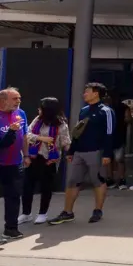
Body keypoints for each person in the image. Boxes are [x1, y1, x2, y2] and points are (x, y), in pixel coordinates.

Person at [49, 83, 114, 225]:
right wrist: (72, 150)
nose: (84, 94)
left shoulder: (106, 111)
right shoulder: (84, 110)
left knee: (98, 181)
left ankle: (97, 210)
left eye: (87, 91)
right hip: (79, 152)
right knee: (73, 181)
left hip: (96, 151)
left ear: (96, 93)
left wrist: (107, 154)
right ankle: (67, 212)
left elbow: (110, 133)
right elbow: (77, 132)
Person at [20, 97, 71, 225]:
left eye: (41, 108)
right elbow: (27, 134)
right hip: (33, 157)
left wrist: (70, 153)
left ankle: (43, 213)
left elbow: (66, 142)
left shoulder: (61, 125)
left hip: (49, 160)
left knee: (46, 187)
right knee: (27, 187)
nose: (39, 110)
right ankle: (26, 214)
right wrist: (41, 138)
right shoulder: (37, 120)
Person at [0, 88, 27, 239]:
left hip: (15, 163)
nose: (18, 101)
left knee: (14, 196)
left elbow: (24, 137)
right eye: (15, 98)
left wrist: (27, 155)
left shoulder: (20, 114)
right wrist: (10, 131)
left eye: (19, 98)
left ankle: (11, 228)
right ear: (3, 100)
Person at [103, 94, 130, 190]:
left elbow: (128, 119)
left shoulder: (121, 107)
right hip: (112, 136)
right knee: (111, 159)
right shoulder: (105, 108)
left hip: (116, 136)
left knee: (117, 159)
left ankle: (118, 179)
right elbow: (128, 119)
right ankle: (112, 179)